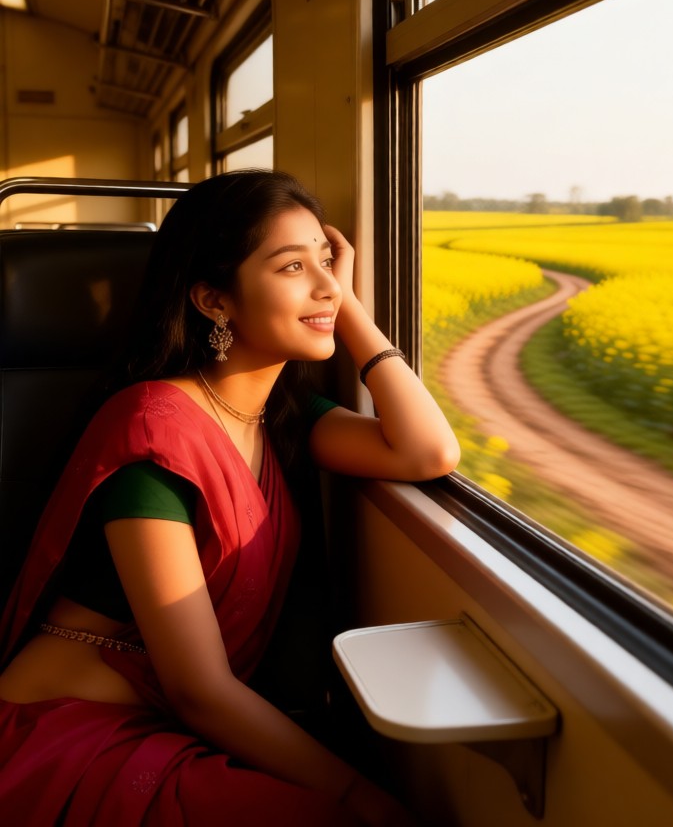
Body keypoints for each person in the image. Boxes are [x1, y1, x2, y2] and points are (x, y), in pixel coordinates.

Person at [0, 170, 460, 826]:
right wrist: (363, 797)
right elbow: (199, 688)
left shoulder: (281, 420)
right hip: (67, 737)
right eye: (291, 267)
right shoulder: (152, 433)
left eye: (325, 261)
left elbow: (429, 453)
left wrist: (348, 307)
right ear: (216, 300)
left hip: (166, 729)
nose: (325, 283)